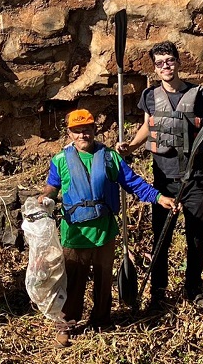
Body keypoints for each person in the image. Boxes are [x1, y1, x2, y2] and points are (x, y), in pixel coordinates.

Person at [39, 108, 175, 347]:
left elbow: (132, 182)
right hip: (75, 233)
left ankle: (101, 320)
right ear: (69, 134)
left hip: (105, 231)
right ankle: (66, 324)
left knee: (104, 280)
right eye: (77, 131)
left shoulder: (110, 157)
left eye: (87, 129)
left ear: (94, 130)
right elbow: (52, 187)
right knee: (72, 282)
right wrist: (45, 198)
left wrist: (158, 197)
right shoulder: (60, 161)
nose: (83, 135)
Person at [116, 41, 203, 310]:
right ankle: (158, 291)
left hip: (195, 178)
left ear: (178, 62)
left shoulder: (199, 94)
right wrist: (130, 146)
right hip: (163, 180)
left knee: (196, 237)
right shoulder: (149, 96)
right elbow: (147, 126)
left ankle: (193, 288)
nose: (165, 66)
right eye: (159, 63)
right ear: (155, 69)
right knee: (161, 237)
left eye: (169, 60)